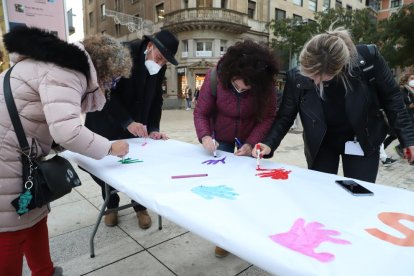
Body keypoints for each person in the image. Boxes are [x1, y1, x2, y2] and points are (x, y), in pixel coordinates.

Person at [0, 26, 130, 276]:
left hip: (15, 152)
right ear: (103, 70)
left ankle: (45, 271)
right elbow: (67, 131)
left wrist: (53, 143)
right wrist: (110, 147)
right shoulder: (67, 72)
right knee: (11, 227)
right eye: (113, 79)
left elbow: (40, 118)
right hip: (6, 158)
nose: (110, 86)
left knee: (34, 214)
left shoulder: (54, 65)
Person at [253, 26, 414, 183]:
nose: (312, 80)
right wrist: (268, 143)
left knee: (359, 192)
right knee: (322, 193)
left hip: (362, 137)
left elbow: (393, 100)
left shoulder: (368, 60)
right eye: (307, 72)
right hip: (321, 142)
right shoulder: (297, 76)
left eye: (318, 77)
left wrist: (408, 140)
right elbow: (285, 116)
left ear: (338, 69)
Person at [84, 30, 179, 229]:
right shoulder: (123, 53)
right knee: (107, 166)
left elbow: (156, 100)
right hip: (107, 120)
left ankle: (139, 206)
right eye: (159, 58)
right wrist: (127, 121)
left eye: (164, 62)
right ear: (150, 46)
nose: (160, 64)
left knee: (138, 167)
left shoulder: (157, 66)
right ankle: (111, 204)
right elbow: (106, 92)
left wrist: (153, 128)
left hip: (136, 124)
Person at [194, 40, 279, 258]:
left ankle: (246, 230)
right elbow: (201, 112)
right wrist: (204, 136)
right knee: (222, 187)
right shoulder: (215, 77)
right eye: (236, 86)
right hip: (220, 136)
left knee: (247, 186)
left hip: (248, 136)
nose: (240, 91)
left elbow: (268, 116)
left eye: (246, 89)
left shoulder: (265, 85)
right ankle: (224, 235)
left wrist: (252, 142)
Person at [393, 73, 414, 158]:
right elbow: (401, 105)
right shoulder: (402, 90)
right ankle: (400, 147)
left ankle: (401, 148)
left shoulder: (410, 90)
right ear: (406, 80)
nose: (413, 80)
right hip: (406, 116)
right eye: (412, 78)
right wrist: (410, 106)